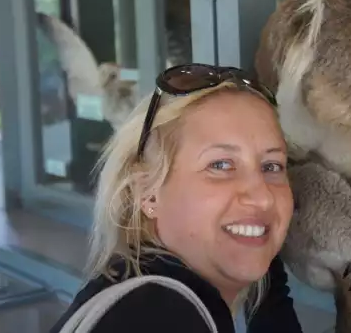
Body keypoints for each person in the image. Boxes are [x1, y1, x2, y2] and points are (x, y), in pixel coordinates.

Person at [50, 63, 303, 333]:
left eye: (271, 166)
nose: (263, 198)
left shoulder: (140, 291)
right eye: (220, 165)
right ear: (147, 193)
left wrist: (257, 235)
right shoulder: (155, 316)